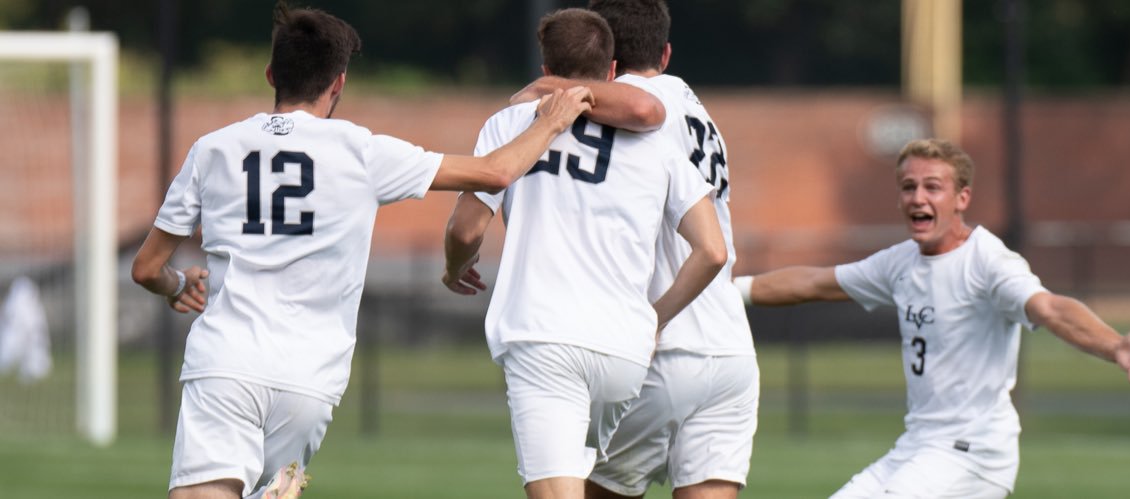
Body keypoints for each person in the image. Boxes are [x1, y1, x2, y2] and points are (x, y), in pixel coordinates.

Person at [128, 3, 593, 499]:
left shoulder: (213, 148)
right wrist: (550, 122)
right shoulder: (362, 150)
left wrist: (177, 284)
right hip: (310, 378)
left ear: (271, 74)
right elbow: (495, 172)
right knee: (272, 487)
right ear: (338, 84)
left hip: (225, 361)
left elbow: (146, 268)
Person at [735, 139, 1130, 498]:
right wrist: (729, 292)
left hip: (972, 454)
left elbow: (1051, 308)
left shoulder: (989, 262)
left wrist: (1114, 345)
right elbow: (812, 283)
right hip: (918, 448)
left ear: (962, 198)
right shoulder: (900, 263)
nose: (918, 198)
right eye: (908, 187)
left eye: (932, 187)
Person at [440, 8, 727, 499]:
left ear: (544, 67)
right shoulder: (654, 141)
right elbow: (712, 250)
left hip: (544, 336)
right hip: (624, 352)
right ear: (612, 71)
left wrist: (455, 267)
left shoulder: (511, 121)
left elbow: (467, 230)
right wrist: (655, 320)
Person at [509, 1, 759, 497]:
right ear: (665, 52)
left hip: (664, 346)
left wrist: (538, 89)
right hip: (731, 352)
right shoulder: (698, 109)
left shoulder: (634, 105)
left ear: (610, 64)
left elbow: (641, 110)